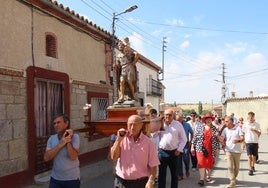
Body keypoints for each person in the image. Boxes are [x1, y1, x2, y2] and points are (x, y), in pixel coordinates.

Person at [110, 115, 160, 188]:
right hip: (121, 182)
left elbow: (154, 165)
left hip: (140, 183)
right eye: (130, 124)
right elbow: (114, 157)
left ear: (141, 125)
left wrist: (151, 181)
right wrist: (118, 140)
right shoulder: (121, 139)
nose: (132, 127)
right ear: (127, 125)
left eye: (135, 124)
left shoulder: (148, 143)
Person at [44, 114, 80, 188]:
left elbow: (73, 157)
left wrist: (68, 141)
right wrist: (60, 144)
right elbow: (46, 158)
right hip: (55, 178)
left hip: (72, 179)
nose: (56, 125)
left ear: (66, 123)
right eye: (54, 123)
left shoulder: (75, 137)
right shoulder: (51, 139)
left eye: (58, 122)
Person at [158, 109, 187, 188]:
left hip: (174, 153)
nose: (167, 116)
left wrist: (179, 150)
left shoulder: (178, 125)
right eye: (166, 114)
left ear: (173, 116)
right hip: (162, 153)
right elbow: (154, 136)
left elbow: (184, 139)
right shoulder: (160, 124)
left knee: (174, 176)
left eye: (170, 115)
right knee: (161, 176)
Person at [191, 113, 220, 187]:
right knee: (201, 163)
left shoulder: (215, 129)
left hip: (211, 149)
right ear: (205, 120)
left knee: (209, 164)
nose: (208, 120)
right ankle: (201, 179)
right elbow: (195, 138)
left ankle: (208, 176)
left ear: (211, 120)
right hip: (200, 149)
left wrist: (217, 149)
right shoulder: (200, 127)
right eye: (207, 119)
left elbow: (217, 140)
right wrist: (192, 147)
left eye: (210, 119)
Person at [220, 116, 244, 188]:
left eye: (227, 121)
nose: (225, 123)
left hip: (237, 151)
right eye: (225, 121)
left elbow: (242, 138)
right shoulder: (225, 130)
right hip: (228, 150)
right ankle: (232, 181)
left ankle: (234, 178)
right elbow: (222, 138)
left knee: (236, 167)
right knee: (230, 166)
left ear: (231, 121)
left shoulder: (238, 128)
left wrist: (238, 141)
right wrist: (219, 135)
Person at [114, 37, 139, 103]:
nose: (119, 46)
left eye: (121, 45)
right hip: (123, 69)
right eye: (119, 45)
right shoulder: (118, 55)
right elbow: (117, 64)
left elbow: (136, 54)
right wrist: (115, 66)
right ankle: (122, 96)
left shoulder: (128, 52)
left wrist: (133, 62)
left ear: (123, 46)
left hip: (129, 68)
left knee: (129, 82)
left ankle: (133, 95)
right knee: (121, 81)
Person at [175, 112, 194, 181]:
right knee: (178, 160)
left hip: (186, 144)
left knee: (186, 159)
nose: (178, 121)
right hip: (177, 145)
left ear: (182, 119)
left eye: (179, 119)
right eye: (177, 120)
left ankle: (187, 169)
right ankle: (180, 175)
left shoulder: (187, 125)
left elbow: (192, 133)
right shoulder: (175, 125)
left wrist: (191, 141)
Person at [242, 111, 261, 176]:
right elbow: (243, 133)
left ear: (253, 117)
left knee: (254, 156)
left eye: (251, 117)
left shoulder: (257, 124)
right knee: (249, 156)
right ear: (248, 117)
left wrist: (254, 130)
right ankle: (250, 169)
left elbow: (259, 133)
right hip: (248, 142)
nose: (250, 118)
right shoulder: (245, 124)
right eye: (249, 117)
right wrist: (243, 143)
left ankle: (253, 166)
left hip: (255, 142)